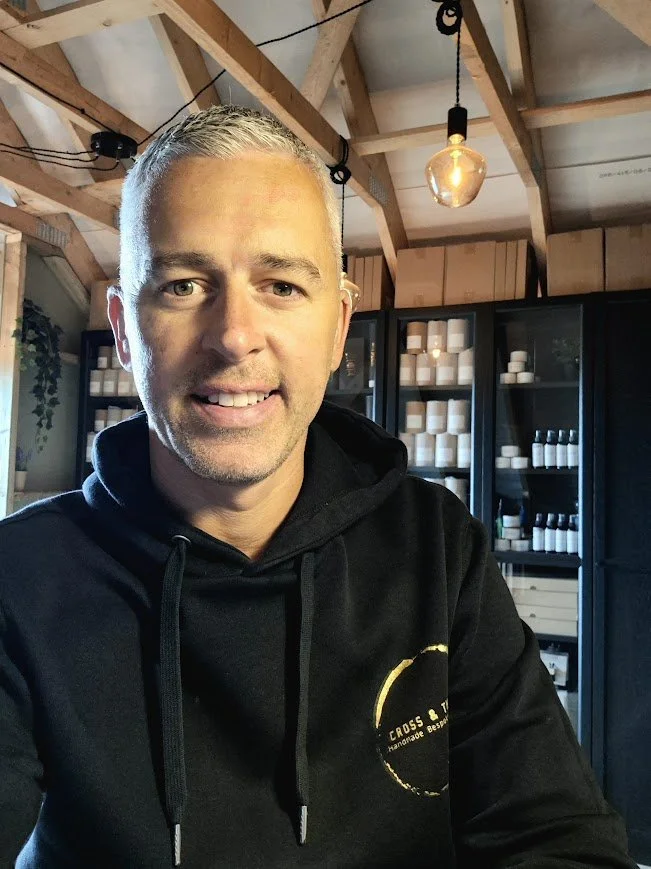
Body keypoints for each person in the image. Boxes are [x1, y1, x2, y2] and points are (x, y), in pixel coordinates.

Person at [0, 105, 636, 869]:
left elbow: (554, 836)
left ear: (337, 327)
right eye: (183, 284)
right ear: (124, 331)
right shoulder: (21, 578)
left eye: (279, 285)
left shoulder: (435, 549)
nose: (234, 335)